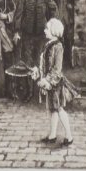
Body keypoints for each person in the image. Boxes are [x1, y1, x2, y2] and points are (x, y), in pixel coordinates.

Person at [32, 18, 77, 147]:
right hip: (50, 83)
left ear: (54, 31)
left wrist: (48, 81)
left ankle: (69, 136)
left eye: (47, 28)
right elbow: (44, 64)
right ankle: (52, 135)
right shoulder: (48, 45)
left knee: (59, 109)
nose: (44, 31)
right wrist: (38, 72)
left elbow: (57, 69)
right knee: (53, 109)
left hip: (55, 84)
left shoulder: (58, 46)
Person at [14, 0, 58, 72]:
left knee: (40, 56)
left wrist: (52, 24)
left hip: (42, 32)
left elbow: (54, 9)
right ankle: (29, 78)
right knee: (27, 57)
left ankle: (39, 78)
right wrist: (17, 31)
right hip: (27, 33)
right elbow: (18, 15)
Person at [51, 0, 74, 67]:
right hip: (59, 17)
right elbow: (52, 1)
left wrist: (71, 6)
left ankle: (70, 59)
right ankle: (58, 59)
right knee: (58, 37)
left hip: (68, 18)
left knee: (69, 38)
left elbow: (76, 3)